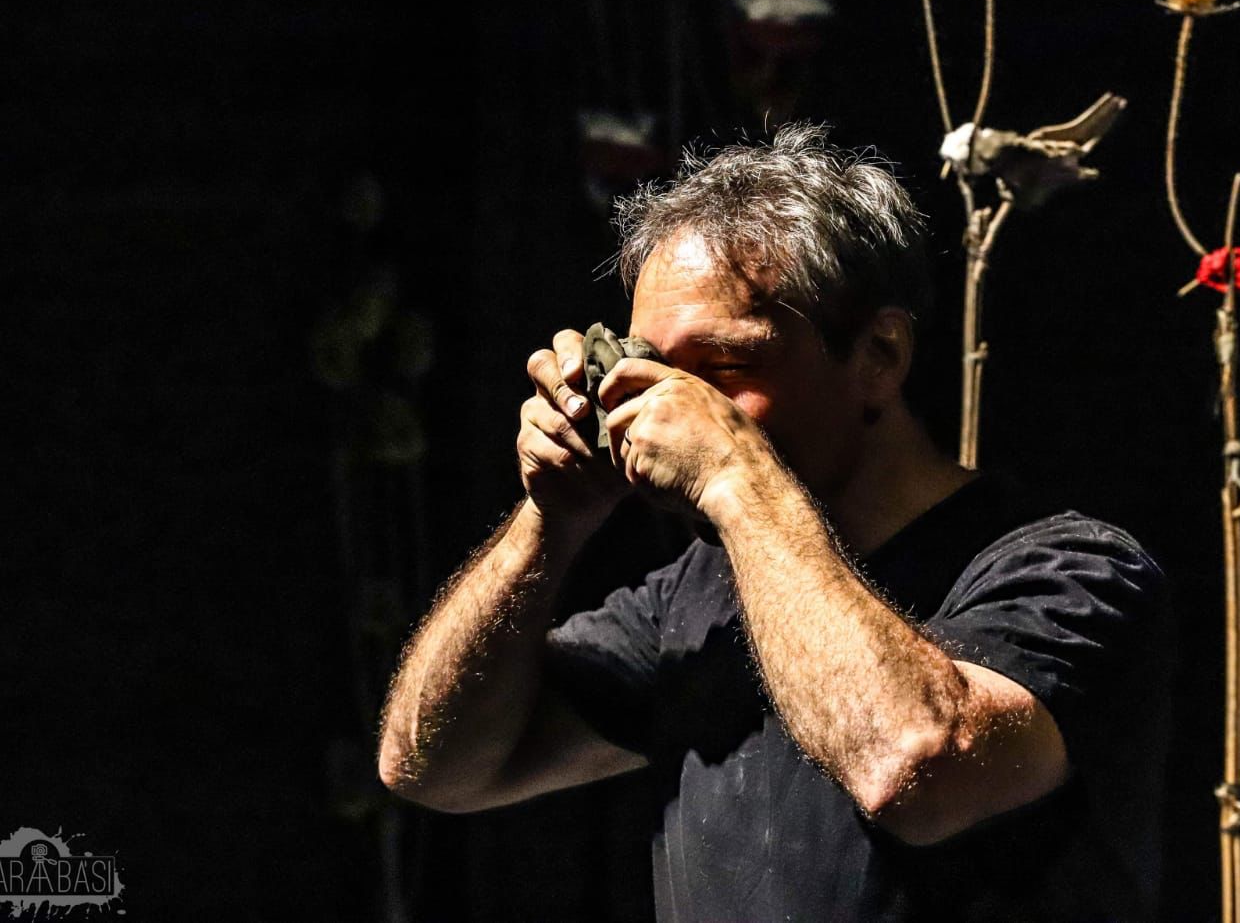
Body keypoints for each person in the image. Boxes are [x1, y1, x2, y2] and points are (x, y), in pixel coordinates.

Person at [377, 124, 1172, 921]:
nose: (669, 408)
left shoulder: (1072, 569)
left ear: (880, 356)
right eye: (654, 370)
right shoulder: (691, 599)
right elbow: (430, 766)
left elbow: (912, 769)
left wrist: (734, 474)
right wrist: (551, 521)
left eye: (727, 366)